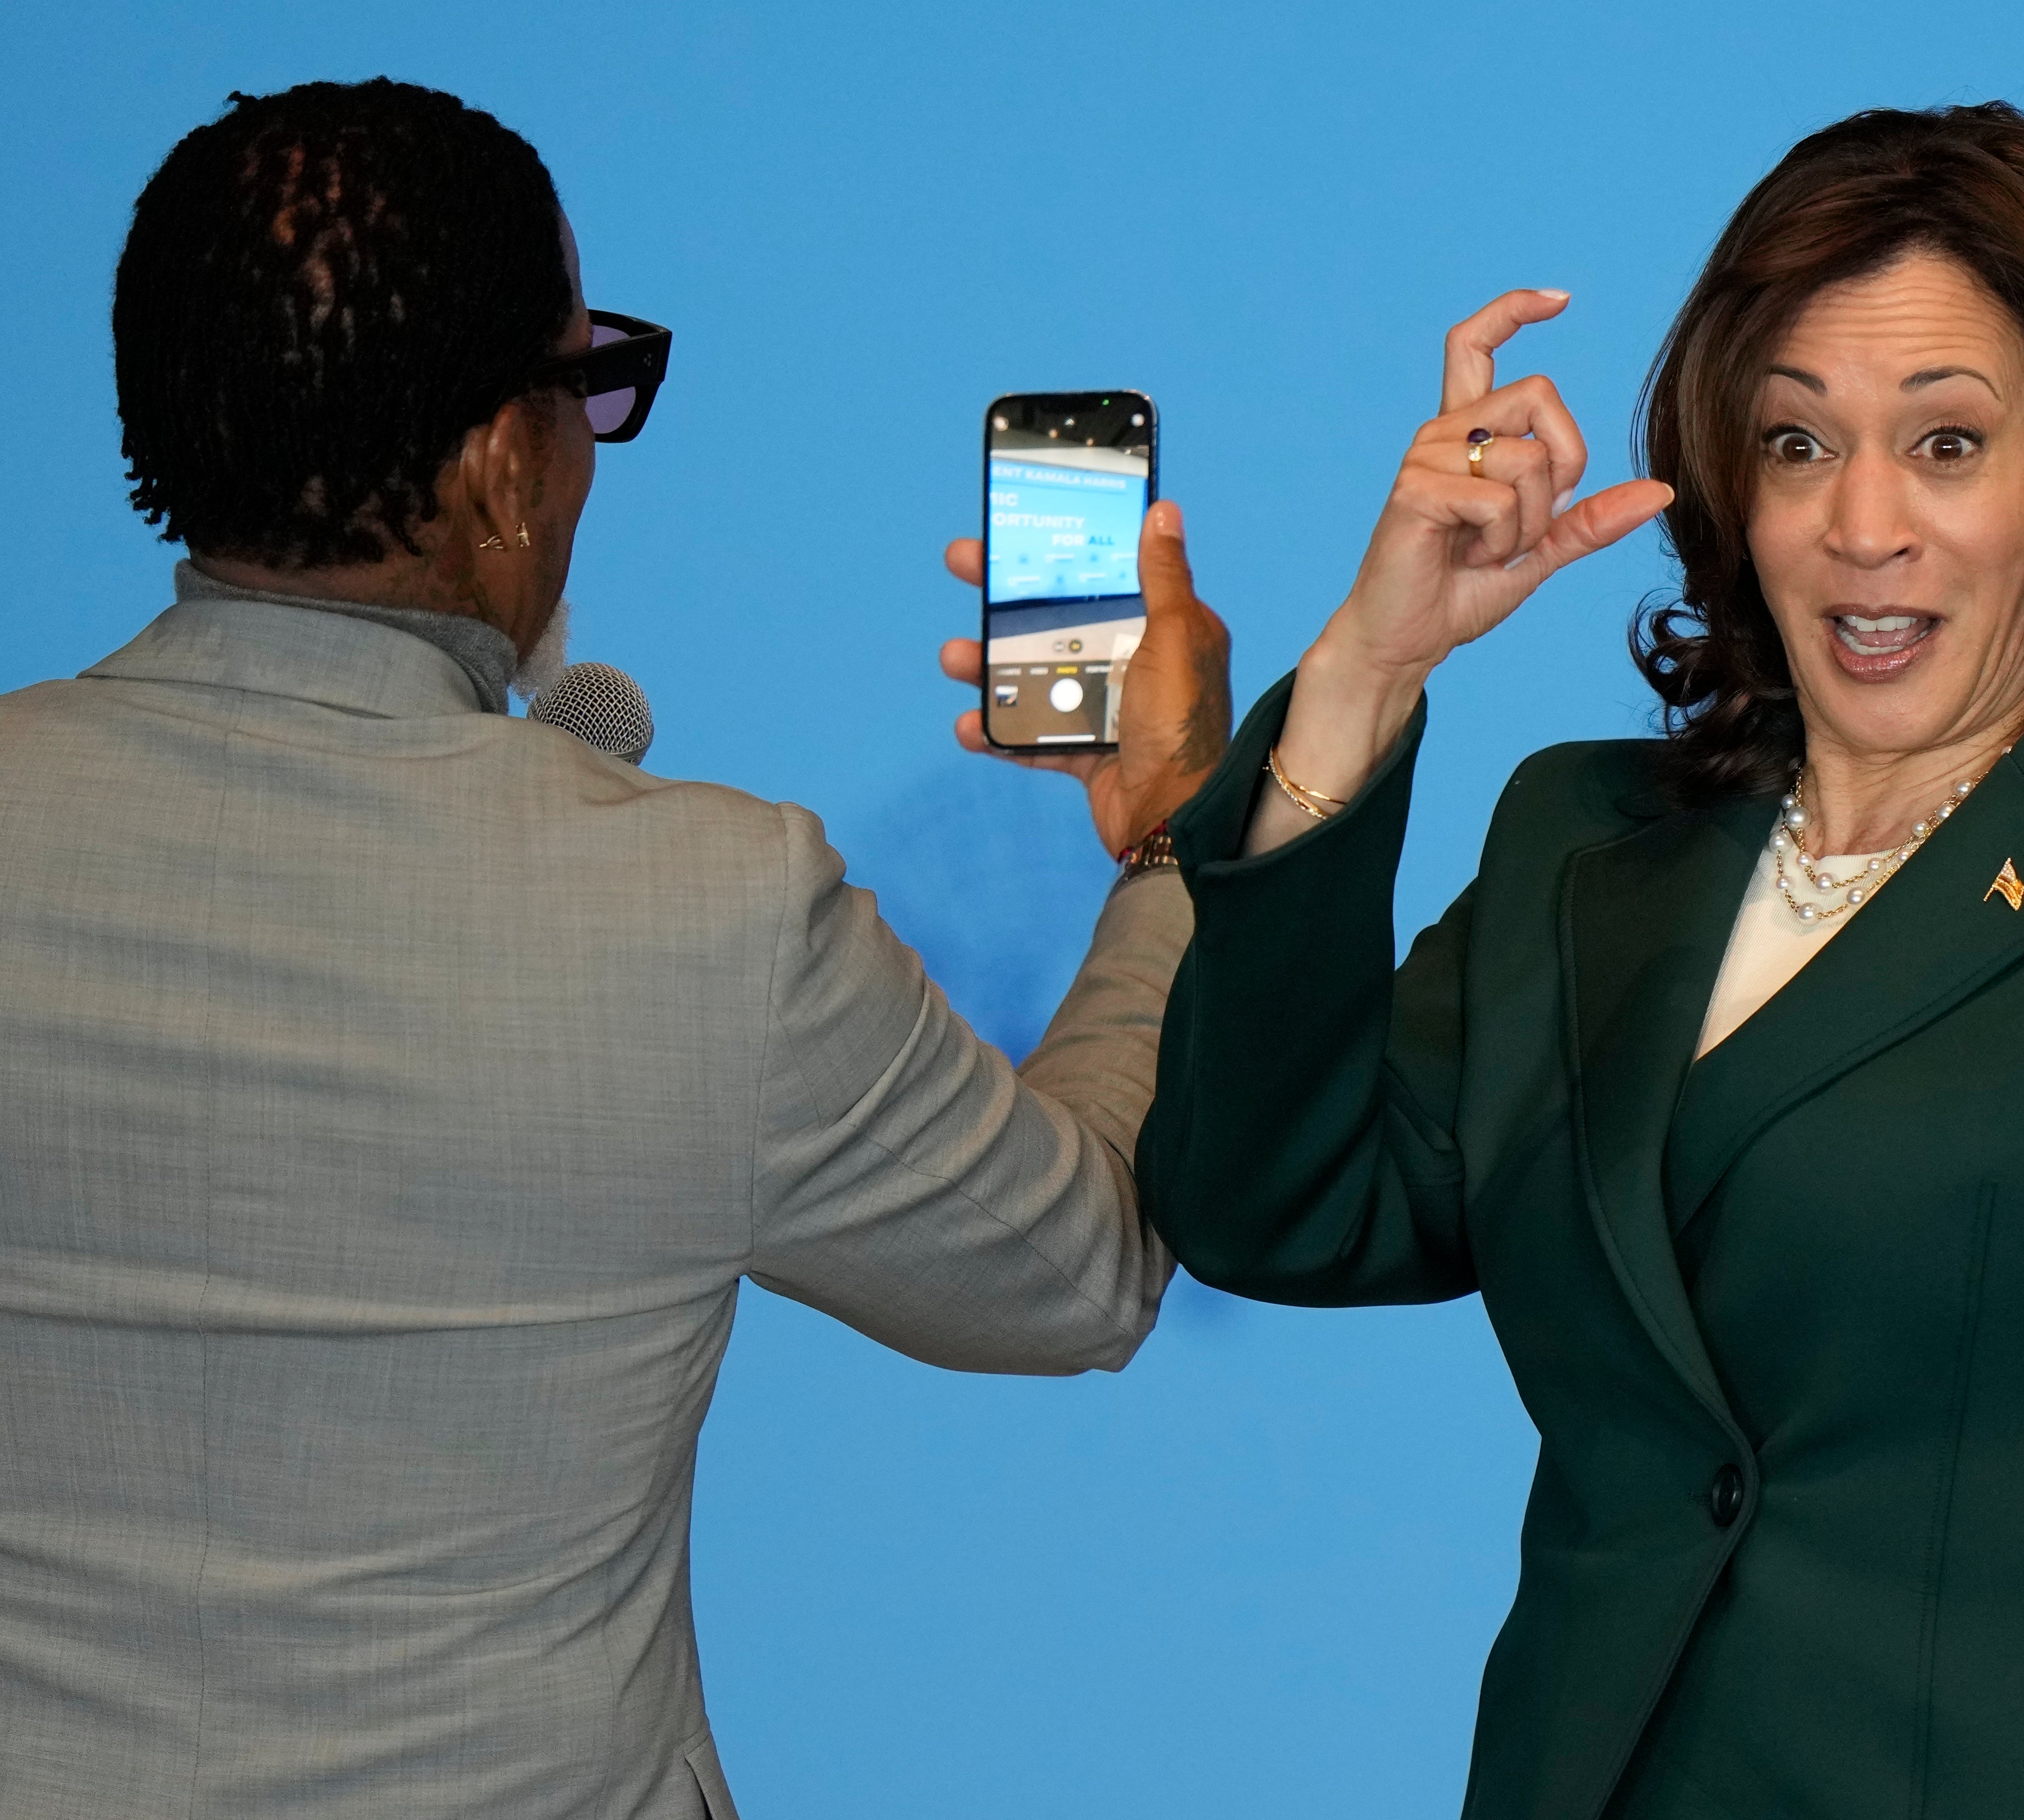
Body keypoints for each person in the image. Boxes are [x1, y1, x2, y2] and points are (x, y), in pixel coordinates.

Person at [1136, 102, 2024, 1818]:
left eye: (1946, 445)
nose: (1858, 525)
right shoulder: (1589, 845)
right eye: (1796, 446)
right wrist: (1370, 664)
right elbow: (1267, 1207)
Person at [0, 79, 1229, 1820]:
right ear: (506, 465)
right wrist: (1180, 834)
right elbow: (1074, 1268)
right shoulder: (715, 910)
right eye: (592, 389)